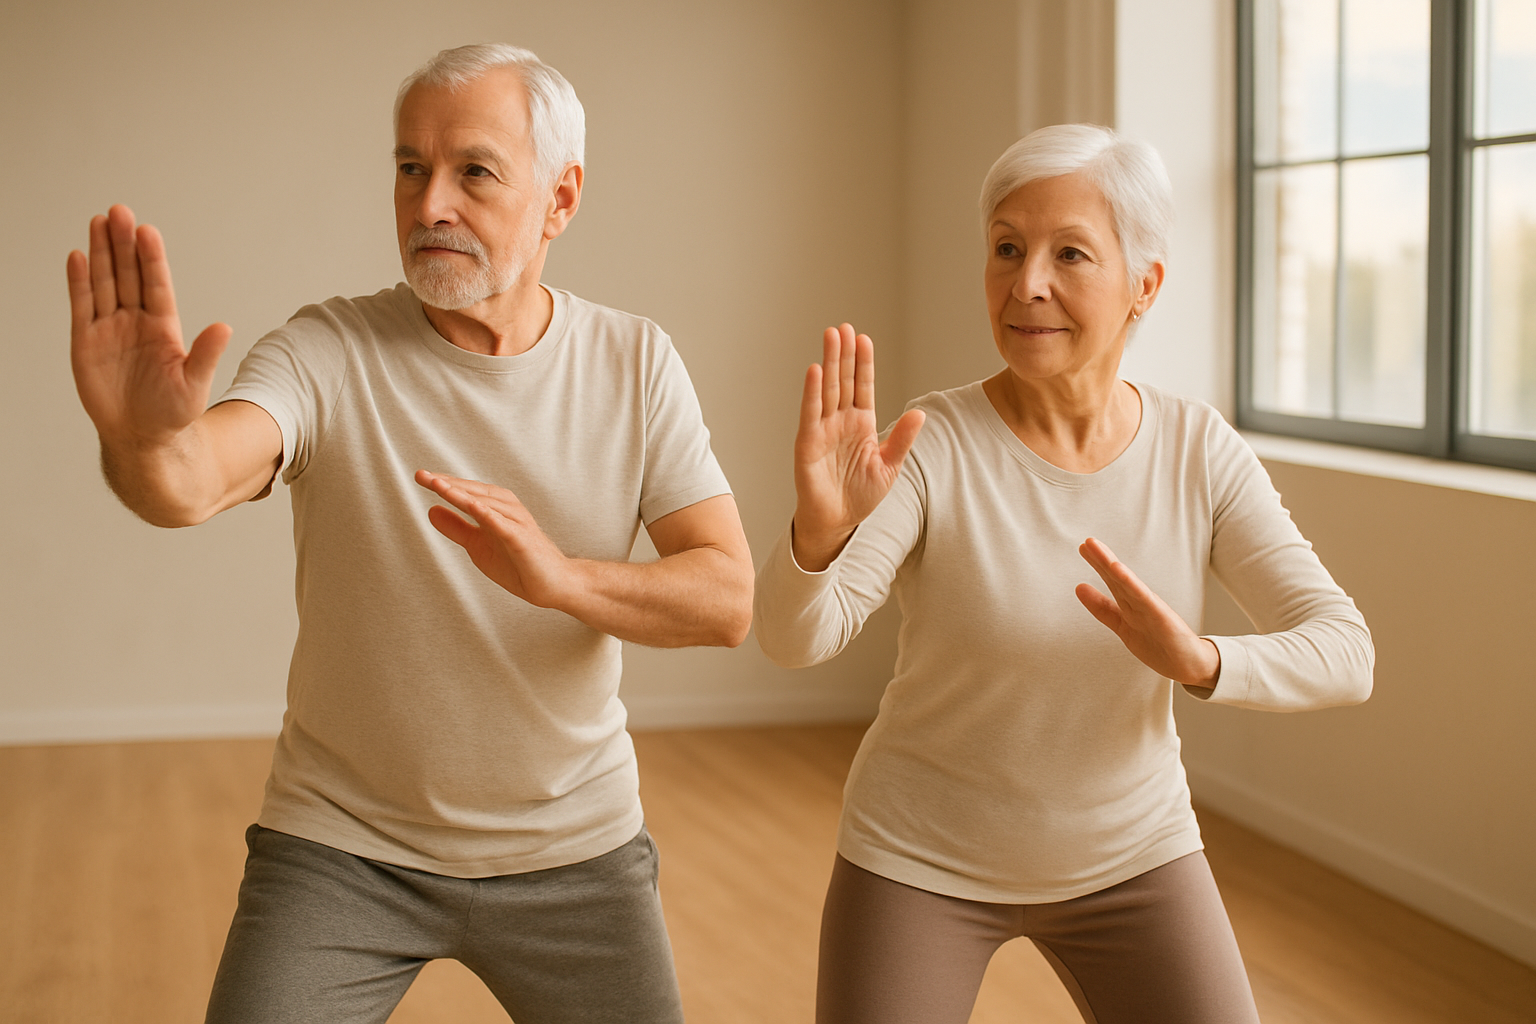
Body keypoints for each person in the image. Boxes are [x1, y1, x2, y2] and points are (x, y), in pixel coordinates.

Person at [66, 43, 753, 1024]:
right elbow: (187, 485)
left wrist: (557, 577)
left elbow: (726, 598)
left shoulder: (635, 362)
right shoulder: (326, 349)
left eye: (474, 171)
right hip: (341, 846)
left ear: (560, 199)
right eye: (409, 168)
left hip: (575, 851)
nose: (430, 203)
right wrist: (142, 440)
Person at [753, 123, 1374, 1024]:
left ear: (1144, 287)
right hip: (921, 860)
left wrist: (1200, 660)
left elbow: (1345, 651)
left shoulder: (1197, 450)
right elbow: (793, 639)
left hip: (1133, 855)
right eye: (1007, 248)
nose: (1027, 282)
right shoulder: (933, 444)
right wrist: (819, 530)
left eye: (1070, 253)